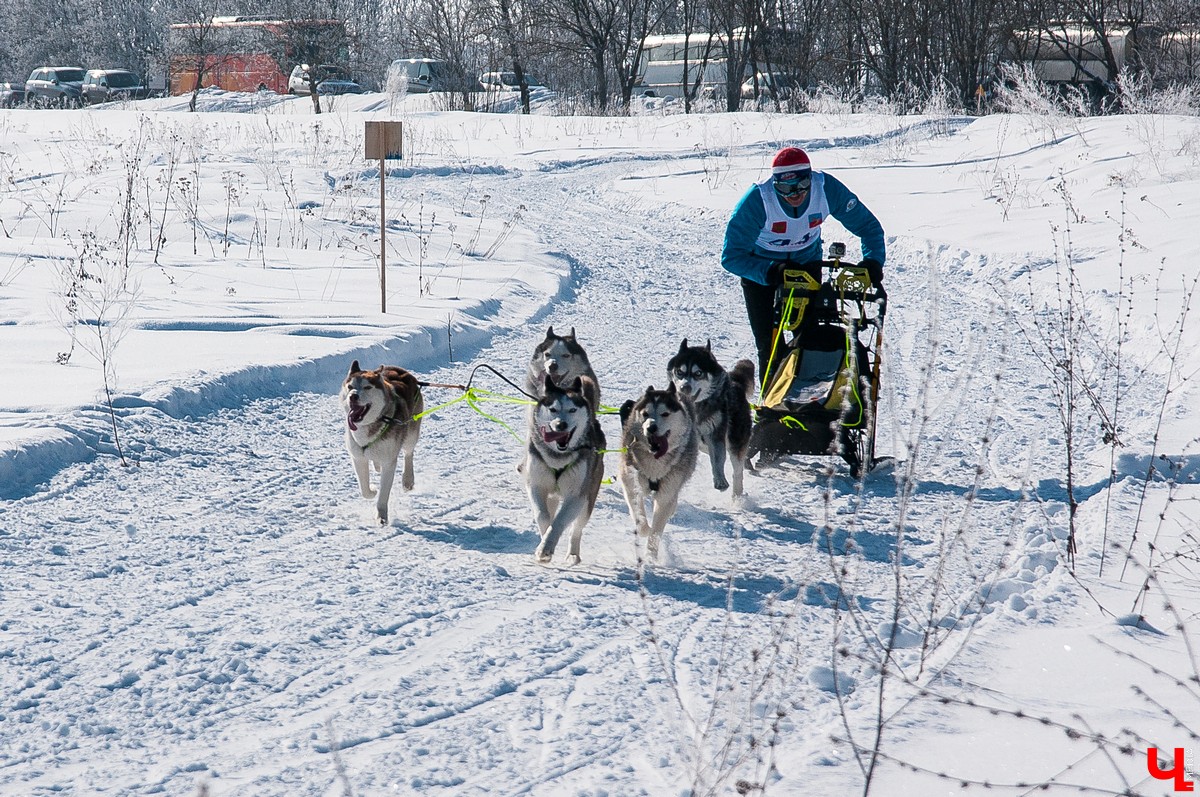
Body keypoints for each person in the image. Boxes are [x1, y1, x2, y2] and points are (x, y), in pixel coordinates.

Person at [721, 146, 886, 385]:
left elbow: (869, 227)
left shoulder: (826, 189)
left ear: (810, 178)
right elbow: (731, 256)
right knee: (769, 343)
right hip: (763, 269)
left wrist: (873, 261)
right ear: (775, 185)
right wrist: (769, 271)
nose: (794, 194)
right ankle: (771, 398)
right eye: (785, 188)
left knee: (810, 336)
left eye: (801, 185)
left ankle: (813, 396)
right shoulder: (758, 200)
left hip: (805, 265)